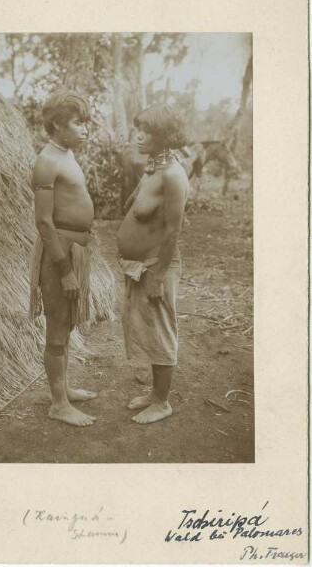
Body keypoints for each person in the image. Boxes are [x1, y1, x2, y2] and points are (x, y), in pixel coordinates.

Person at [117, 104, 189, 424]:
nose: (139, 135)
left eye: (146, 131)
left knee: (160, 330)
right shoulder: (152, 167)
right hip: (140, 263)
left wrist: (159, 273)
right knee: (147, 329)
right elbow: (134, 205)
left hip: (159, 263)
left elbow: (174, 229)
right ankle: (154, 393)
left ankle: (162, 402)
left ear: (163, 137)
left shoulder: (173, 175)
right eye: (138, 129)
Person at [29, 90, 97, 427]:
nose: (85, 129)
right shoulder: (47, 161)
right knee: (57, 327)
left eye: (85, 123)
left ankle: (64, 390)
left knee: (66, 323)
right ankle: (58, 404)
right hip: (61, 254)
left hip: (76, 248)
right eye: (78, 123)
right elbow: (44, 221)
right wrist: (65, 270)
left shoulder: (66, 154)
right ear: (57, 124)